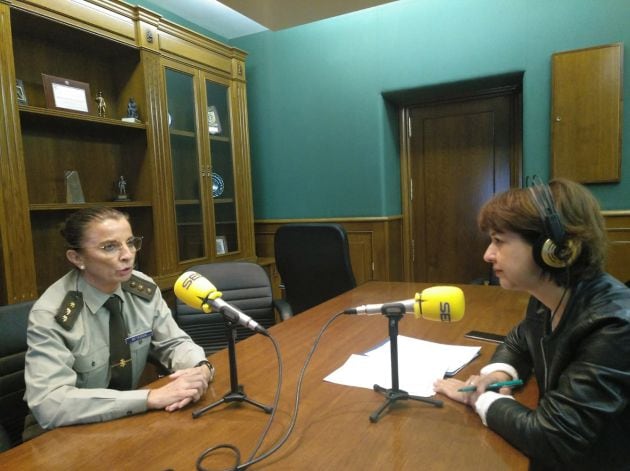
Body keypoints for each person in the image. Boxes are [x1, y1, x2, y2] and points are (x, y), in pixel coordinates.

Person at [434, 178, 630, 470]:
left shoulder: (614, 326)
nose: (487, 254)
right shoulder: (548, 293)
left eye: (499, 241)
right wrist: (496, 374)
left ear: (553, 249)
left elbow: (554, 437)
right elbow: (521, 337)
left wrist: (481, 400)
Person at [23, 207, 214, 438]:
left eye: (131, 242)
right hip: (62, 433)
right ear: (77, 258)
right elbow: (49, 403)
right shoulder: (52, 313)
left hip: (125, 421)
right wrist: (150, 398)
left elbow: (173, 343)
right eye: (110, 247)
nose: (127, 254)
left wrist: (200, 368)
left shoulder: (142, 288)